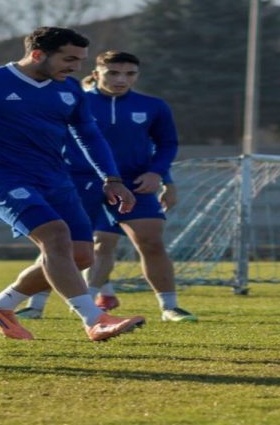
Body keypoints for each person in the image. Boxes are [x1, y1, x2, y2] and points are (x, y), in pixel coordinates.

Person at [0, 27, 146, 341]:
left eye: (81, 60)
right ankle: (94, 319)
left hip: (55, 180)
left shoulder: (69, 90)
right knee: (55, 237)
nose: (76, 67)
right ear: (37, 54)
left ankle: (0, 305)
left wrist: (111, 179)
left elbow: (89, 135)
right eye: (69, 58)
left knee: (81, 256)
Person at [16, 50, 197, 323]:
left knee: (151, 241)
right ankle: (35, 305)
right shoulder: (72, 100)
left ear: (137, 75)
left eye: (129, 74)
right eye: (113, 72)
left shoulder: (153, 106)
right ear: (97, 72)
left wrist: (158, 175)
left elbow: (167, 144)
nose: (121, 79)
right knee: (60, 246)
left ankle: (170, 307)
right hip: (78, 181)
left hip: (135, 183)